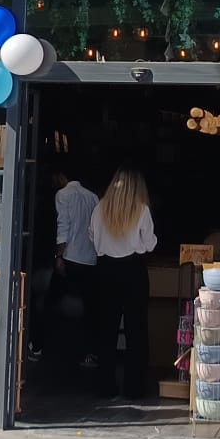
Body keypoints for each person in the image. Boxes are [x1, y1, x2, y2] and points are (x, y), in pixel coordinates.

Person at [91, 167, 156, 400]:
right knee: (136, 330)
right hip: (133, 270)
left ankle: (105, 386)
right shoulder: (141, 210)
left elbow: (93, 238)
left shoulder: (100, 208)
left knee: (106, 329)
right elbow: (149, 244)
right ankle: (134, 388)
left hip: (106, 270)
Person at [47, 167, 99, 366]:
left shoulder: (63, 195)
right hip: (90, 258)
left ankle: (51, 347)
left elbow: (63, 226)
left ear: (62, 176)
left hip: (70, 256)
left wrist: (59, 255)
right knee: (88, 308)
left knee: (57, 302)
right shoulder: (93, 197)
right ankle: (87, 352)